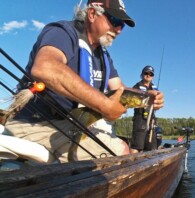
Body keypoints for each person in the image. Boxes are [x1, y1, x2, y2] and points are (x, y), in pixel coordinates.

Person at [4, 0, 164, 163]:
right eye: (115, 21)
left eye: (122, 25)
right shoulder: (63, 32)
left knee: (123, 145)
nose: (118, 30)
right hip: (36, 122)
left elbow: (120, 89)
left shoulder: (103, 56)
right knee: (122, 151)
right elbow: (45, 67)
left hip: (72, 124)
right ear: (92, 14)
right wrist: (104, 104)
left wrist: (147, 96)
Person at [130, 66, 161, 153]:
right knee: (137, 145)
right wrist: (146, 94)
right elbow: (132, 102)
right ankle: (132, 164)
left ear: (153, 76)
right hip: (140, 118)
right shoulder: (136, 86)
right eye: (146, 73)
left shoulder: (154, 88)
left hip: (151, 119)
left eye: (151, 74)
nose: (148, 75)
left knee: (151, 146)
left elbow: (157, 104)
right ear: (141, 75)